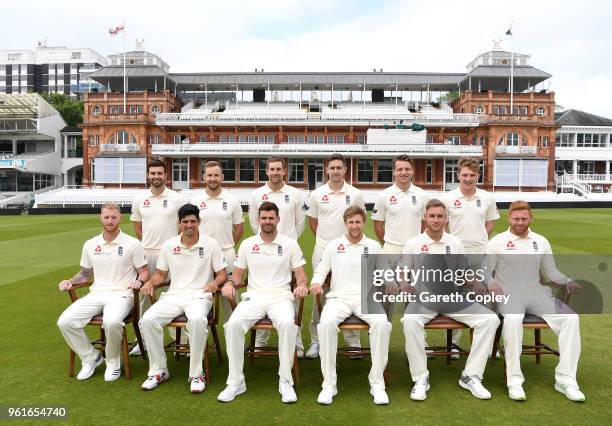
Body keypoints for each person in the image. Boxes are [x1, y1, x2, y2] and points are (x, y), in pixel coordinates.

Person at [485, 200, 585, 402]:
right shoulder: (497, 242)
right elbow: (484, 271)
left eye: (524, 218)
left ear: (531, 218)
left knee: (571, 319)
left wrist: (567, 281)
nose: (520, 222)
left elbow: (550, 271)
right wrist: (491, 282)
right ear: (509, 218)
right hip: (509, 294)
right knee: (512, 320)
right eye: (516, 219)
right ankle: (514, 381)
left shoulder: (541, 241)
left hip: (537, 293)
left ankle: (565, 380)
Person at [400, 199, 499, 401]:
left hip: (453, 297)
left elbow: (464, 273)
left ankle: (471, 375)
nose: (436, 220)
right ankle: (420, 377)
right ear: (425, 217)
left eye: (440, 216)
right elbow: (402, 271)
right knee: (410, 321)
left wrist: (476, 283)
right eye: (432, 216)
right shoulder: (413, 243)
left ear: (446, 219)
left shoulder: (455, 242)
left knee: (490, 319)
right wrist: (403, 284)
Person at [218, 202, 308, 404]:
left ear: (278, 219)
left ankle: (285, 381)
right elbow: (238, 276)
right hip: (254, 297)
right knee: (232, 325)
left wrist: (301, 286)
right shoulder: (248, 244)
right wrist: (230, 284)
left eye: (271, 218)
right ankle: (235, 382)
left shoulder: (290, 244)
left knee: (287, 325)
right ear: (258, 220)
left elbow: (301, 276)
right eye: (264, 218)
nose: (267, 221)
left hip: (281, 296)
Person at [139, 203, 227, 393]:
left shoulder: (211, 244)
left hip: (200, 296)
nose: (189, 225)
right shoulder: (169, 245)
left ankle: (196, 374)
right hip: (174, 295)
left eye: (193, 221)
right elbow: (160, 275)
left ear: (199, 222)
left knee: (196, 320)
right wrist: (150, 283)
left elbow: (222, 274)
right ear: (179, 223)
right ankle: (158, 370)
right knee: (147, 320)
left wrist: (215, 283)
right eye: (185, 222)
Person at [57, 203, 148, 382]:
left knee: (112, 321)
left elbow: (144, 271)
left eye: (113, 217)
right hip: (97, 293)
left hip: (123, 294)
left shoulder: (132, 243)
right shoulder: (90, 244)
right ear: (101, 218)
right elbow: (85, 273)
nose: (110, 221)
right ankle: (91, 358)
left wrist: (140, 280)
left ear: (120, 218)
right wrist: (70, 281)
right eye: (106, 217)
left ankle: (113, 362)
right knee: (65, 321)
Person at [310, 206, 391, 405]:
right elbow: (321, 270)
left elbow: (385, 271)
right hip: (339, 299)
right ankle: (329, 384)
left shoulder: (373, 246)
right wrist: (316, 282)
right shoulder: (333, 245)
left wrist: (392, 284)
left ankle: (377, 384)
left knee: (382, 325)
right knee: (326, 324)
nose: (354, 226)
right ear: (345, 224)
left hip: (367, 299)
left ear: (364, 222)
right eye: (350, 222)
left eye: (358, 222)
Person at [305, 153, 364, 359]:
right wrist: (328, 244)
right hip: (323, 250)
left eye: (340, 167)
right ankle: (316, 341)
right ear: (327, 170)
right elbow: (313, 222)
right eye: (333, 168)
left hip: (352, 251)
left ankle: (353, 342)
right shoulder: (317, 194)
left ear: (345, 169)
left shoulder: (355, 194)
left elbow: (359, 220)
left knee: (352, 292)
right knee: (318, 293)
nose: (336, 171)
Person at [440, 157, 499, 358]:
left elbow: (490, 222)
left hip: (480, 254)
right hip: (456, 256)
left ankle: (482, 347)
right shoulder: (448, 198)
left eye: (472, 175)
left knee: (482, 299)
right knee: (457, 298)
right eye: (464, 175)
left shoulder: (487, 198)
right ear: (458, 175)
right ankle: (454, 345)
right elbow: (443, 226)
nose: (468, 178)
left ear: (478, 176)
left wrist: (481, 239)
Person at [248, 157, 306, 356]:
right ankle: (262, 340)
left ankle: (296, 342)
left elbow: (300, 223)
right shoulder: (257, 194)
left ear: (284, 171)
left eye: (278, 169)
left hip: (289, 251)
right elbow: (256, 225)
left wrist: (287, 242)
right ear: (266, 171)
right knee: (263, 290)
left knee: (295, 295)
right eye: (271, 169)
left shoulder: (294, 193)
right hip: (264, 251)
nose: (275, 172)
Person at [129, 158, 183, 356]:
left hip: (171, 254)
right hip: (147, 253)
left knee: (175, 294)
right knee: (144, 296)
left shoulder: (176, 198)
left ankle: (181, 341)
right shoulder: (139, 199)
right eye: (153, 173)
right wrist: (148, 244)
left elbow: (182, 225)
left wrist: (172, 246)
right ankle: (141, 340)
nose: (156, 177)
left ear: (166, 176)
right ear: (148, 175)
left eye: (160, 173)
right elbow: (137, 225)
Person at [191, 160, 244, 321]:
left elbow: (239, 229)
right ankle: (199, 338)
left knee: (229, 296)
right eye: (209, 175)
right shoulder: (196, 202)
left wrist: (227, 245)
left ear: (222, 177)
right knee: (200, 295)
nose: (213, 178)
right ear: (203, 177)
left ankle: (233, 336)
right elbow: (190, 230)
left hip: (226, 253)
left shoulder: (232, 201)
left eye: (216, 175)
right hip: (201, 255)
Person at [373, 155, 428, 253]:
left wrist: (417, 243)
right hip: (391, 248)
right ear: (394, 171)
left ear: (412, 171)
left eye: (407, 169)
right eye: (400, 169)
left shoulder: (423, 195)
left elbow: (425, 223)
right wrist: (388, 245)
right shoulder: (383, 195)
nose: (403, 172)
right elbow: (377, 226)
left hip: (415, 248)